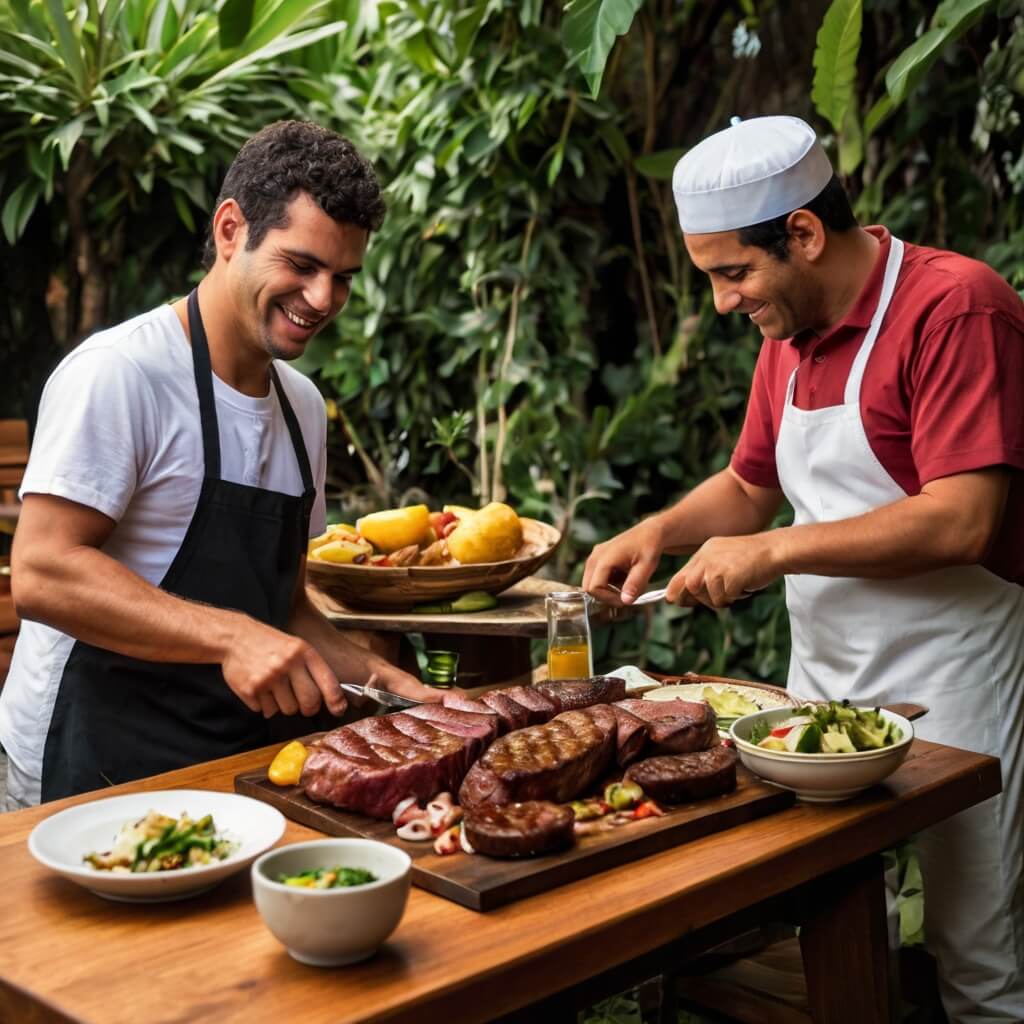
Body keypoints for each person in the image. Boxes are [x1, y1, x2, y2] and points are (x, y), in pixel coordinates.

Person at [583, 115, 1024, 1022]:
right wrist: (659, 531)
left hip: (959, 675)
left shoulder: (956, 307)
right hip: (823, 683)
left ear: (806, 234)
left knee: (977, 950)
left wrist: (774, 550)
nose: (720, 303)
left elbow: (964, 519)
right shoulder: (785, 333)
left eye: (731, 274)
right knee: (828, 926)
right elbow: (751, 488)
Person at [0, 120, 443, 810]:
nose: (323, 299)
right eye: (301, 265)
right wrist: (232, 636)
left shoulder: (301, 408)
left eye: (343, 278)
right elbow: (41, 572)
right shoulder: (122, 374)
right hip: (86, 765)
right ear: (231, 229)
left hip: (227, 764)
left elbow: (286, 608)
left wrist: (387, 683)